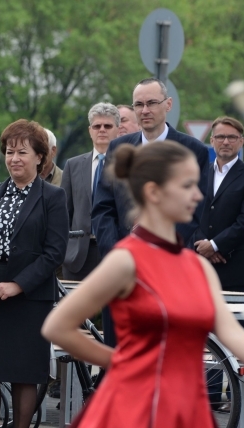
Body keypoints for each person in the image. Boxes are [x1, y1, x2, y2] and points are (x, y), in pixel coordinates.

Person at [42, 141, 244, 427]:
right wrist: (120, 362)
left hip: (187, 408)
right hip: (135, 408)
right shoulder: (126, 261)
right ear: (154, 192)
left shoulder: (197, 266)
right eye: (188, 185)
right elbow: (58, 326)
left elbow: (231, 333)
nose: (198, 194)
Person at [0, 119, 68, 428]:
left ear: (40, 157)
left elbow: (54, 252)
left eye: (22, 152)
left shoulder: (52, 197)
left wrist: (17, 286)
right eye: (9, 152)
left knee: (25, 374)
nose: (14, 159)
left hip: (30, 297)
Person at [92, 77, 210, 346]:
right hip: (122, 272)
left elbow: (194, 209)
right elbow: (102, 208)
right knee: (119, 356)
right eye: (139, 104)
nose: (145, 110)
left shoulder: (192, 151)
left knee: (164, 356)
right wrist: (119, 253)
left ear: (168, 105)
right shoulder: (118, 148)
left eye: (152, 103)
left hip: (169, 271)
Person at [195, 116, 244, 408]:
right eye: (220, 137)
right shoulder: (198, 173)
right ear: (211, 141)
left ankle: (236, 397)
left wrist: (215, 245)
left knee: (235, 335)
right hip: (200, 267)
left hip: (235, 269)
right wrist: (201, 244)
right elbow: (189, 212)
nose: (225, 141)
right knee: (203, 334)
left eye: (231, 137)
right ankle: (208, 396)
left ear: (241, 141)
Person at [60, 103, 119, 280]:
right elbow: (64, 212)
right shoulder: (73, 165)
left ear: (117, 129)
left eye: (107, 126)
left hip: (114, 253)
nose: (102, 130)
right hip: (77, 256)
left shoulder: (128, 164)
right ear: (90, 130)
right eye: (97, 126)